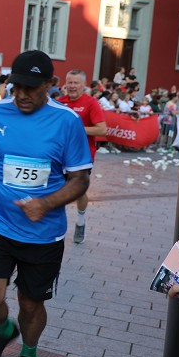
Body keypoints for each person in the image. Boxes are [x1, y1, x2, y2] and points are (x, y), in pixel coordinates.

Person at [0, 50, 91, 357]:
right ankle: (5, 329)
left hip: (44, 236)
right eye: (16, 86)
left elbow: (80, 179)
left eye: (30, 88)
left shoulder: (67, 122)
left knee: (31, 304)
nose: (21, 94)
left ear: (50, 85)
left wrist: (45, 203)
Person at [55, 70, 107, 245]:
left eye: (76, 83)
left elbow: (102, 129)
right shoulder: (59, 103)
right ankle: (56, 226)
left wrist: (77, 129)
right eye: (69, 82)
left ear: (83, 85)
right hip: (59, 156)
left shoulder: (91, 103)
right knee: (56, 189)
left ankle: (81, 221)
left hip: (82, 156)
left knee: (79, 191)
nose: (72, 86)